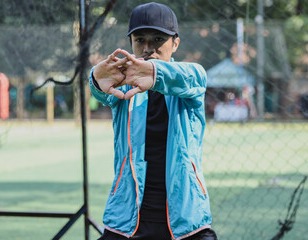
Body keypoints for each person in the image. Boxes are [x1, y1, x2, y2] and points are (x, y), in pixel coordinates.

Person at [89, 2, 217, 240]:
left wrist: (154, 73)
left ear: (175, 43)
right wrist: (95, 79)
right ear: (131, 43)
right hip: (126, 220)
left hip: (186, 223)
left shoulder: (188, 80)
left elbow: (196, 76)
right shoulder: (123, 84)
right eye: (140, 40)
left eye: (158, 39)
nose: (148, 48)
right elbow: (101, 92)